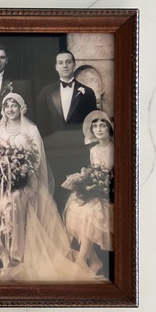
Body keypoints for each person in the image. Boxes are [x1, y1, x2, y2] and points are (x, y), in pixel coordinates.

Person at [0, 93, 97, 281]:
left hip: (25, 181)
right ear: (3, 109)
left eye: (14, 105)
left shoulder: (31, 130)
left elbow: (37, 161)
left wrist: (18, 174)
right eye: (7, 105)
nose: (10, 109)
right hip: (1, 182)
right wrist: (3, 175)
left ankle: (10, 258)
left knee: (13, 203)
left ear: (21, 108)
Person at [35, 50, 98, 213]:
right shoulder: (46, 92)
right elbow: (40, 123)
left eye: (68, 62)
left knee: (78, 193)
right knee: (55, 190)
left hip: (77, 151)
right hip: (53, 151)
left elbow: (92, 123)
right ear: (56, 67)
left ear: (74, 65)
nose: (65, 65)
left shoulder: (87, 93)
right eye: (61, 62)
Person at [62, 110, 114, 275]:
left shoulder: (116, 147)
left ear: (109, 128)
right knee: (76, 208)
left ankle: (81, 261)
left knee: (91, 212)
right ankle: (94, 260)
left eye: (102, 125)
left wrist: (104, 184)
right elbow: (94, 170)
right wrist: (86, 178)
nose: (99, 129)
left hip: (110, 193)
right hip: (97, 190)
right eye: (95, 126)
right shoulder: (94, 150)